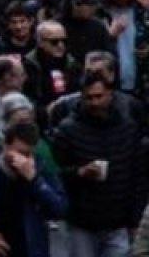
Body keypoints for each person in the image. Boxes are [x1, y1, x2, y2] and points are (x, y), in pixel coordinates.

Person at [52, 72, 143, 257]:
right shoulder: (68, 130)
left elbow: (137, 176)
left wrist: (134, 220)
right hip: (82, 222)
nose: (94, 103)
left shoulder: (127, 128)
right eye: (89, 98)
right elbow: (55, 173)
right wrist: (79, 172)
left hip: (117, 221)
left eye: (99, 96)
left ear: (110, 94)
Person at [0, 122, 66, 257]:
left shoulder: (39, 169)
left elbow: (58, 209)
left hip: (28, 249)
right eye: (19, 152)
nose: (24, 159)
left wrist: (34, 180)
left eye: (29, 154)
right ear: (5, 145)